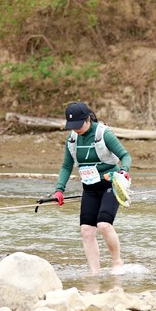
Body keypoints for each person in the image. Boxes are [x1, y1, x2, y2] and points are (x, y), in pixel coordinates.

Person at [51, 101, 132, 275]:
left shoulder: (104, 134)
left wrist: (124, 171)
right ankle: (95, 274)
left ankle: (117, 262)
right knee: (86, 231)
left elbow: (125, 156)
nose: (76, 129)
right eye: (72, 126)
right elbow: (66, 166)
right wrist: (59, 190)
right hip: (89, 187)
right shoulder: (72, 139)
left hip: (110, 184)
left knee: (103, 224)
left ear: (88, 119)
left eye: (79, 125)